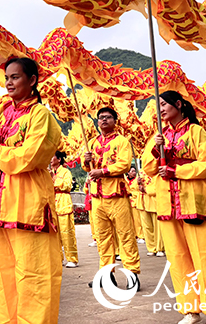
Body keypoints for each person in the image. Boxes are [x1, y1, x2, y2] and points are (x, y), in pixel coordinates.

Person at [0, 56, 62, 324]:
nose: (9, 82)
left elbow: (32, 155)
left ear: (33, 80)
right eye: (7, 78)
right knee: (2, 274)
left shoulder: (41, 115)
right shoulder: (1, 110)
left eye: (15, 77)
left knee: (34, 274)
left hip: (28, 199)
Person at [141, 90, 206, 324]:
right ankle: (191, 310)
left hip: (194, 200)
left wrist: (176, 171)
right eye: (157, 105)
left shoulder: (195, 131)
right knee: (179, 258)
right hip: (167, 204)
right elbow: (148, 168)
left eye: (164, 104)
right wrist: (155, 147)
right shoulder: (158, 135)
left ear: (178, 104)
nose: (160, 108)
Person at [84, 107, 140, 287]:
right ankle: (107, 275)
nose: (104, 120)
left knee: (126, 236)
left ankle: (132, 275)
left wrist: (103, 171)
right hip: (97, 196)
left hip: (116, 194)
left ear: (115, 121)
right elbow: (90, 170)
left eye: (108, 117)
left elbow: (124, 165)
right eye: (101, 118)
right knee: (102, 238)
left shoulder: (122, 141)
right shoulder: (92, 142)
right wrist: (86, 161)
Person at [50, 151, 78, 268]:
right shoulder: (47, 172)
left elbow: (67, 186)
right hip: (52, 203)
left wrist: (54, 179)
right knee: (53, 235)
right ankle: (58, 258)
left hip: (63, 202)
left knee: (67, 233)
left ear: (59, 159)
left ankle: (72, 259)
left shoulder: (66, 172)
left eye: (52, 157)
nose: (50, 159)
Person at [136, 169, 164, 256]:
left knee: (158, 228)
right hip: (142, 202)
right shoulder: (141, 172)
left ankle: (160, 248)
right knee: (147, 227)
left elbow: (158, 188)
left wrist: (145, 189)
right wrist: (137, 183)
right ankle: (151, 248)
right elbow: (134, 188)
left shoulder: (158, 172)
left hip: (154, 203)